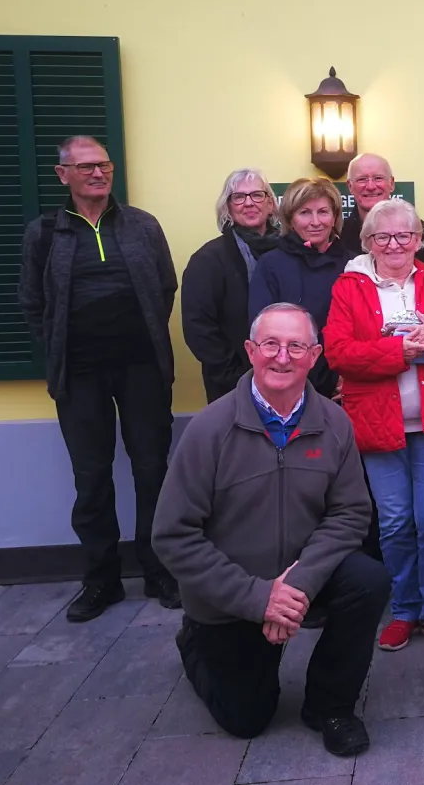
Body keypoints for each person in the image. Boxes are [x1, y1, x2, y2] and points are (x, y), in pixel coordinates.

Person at [152, 303, 390, 756]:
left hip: (302, 578)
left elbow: (351, 515)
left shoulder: (334, 423)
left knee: (368, 580)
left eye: (296, 346)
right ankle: (194, 644)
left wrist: (293, 588)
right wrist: (260, 599)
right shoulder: (209, 430)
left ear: (315, 355)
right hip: (231, 596)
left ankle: (330, 706)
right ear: (250, 350)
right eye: (270, 344)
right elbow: (173, 534)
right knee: (246, 719)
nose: (283, 357)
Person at [18, 135, 181, 623]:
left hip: (142, 368)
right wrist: (60, 350)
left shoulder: (142, 226)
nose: (97, 174)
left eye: (104, 165)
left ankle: (158, 570)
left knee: (153, 470)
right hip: (79, 375)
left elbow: (166, 286)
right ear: (62, 173)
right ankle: (101, 580)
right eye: (86, 166)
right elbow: (32, 302)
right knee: (91, 478)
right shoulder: (44, 233)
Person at [324, 198, 424, 654]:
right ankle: (404, 609)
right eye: (382, 237)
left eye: (404, 236)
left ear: (419, 240)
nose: (394, 244)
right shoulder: (349, 287)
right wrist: (398, 354)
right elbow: (337, 352)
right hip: (377, 420)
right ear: (368, 242)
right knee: (393, 523)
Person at [182, 169, 281, 403]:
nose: (249, 203)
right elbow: (198, 327)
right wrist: (236, 375)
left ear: (270, 203)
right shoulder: (207, 260)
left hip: (288, 376)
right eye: (239, 197)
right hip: (231, 384)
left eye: (257, 195)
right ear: (228, 207)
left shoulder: (291, 251)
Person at [248, 177, 352, 399]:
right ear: (290, 220)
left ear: (334, 217)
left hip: (345, 385)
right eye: (305, 213)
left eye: (323, 212)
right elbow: (264, 331)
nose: (315, 221)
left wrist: (347, 376)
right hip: (289, 384)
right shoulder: (271, 265)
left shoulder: (354, 264)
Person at [338, 152, 424, 270]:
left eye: (378, 178)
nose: (370, 186)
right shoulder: (339, 236)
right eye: (362, 179)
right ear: (350, 186)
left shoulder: (422, 233)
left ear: (391, 183)